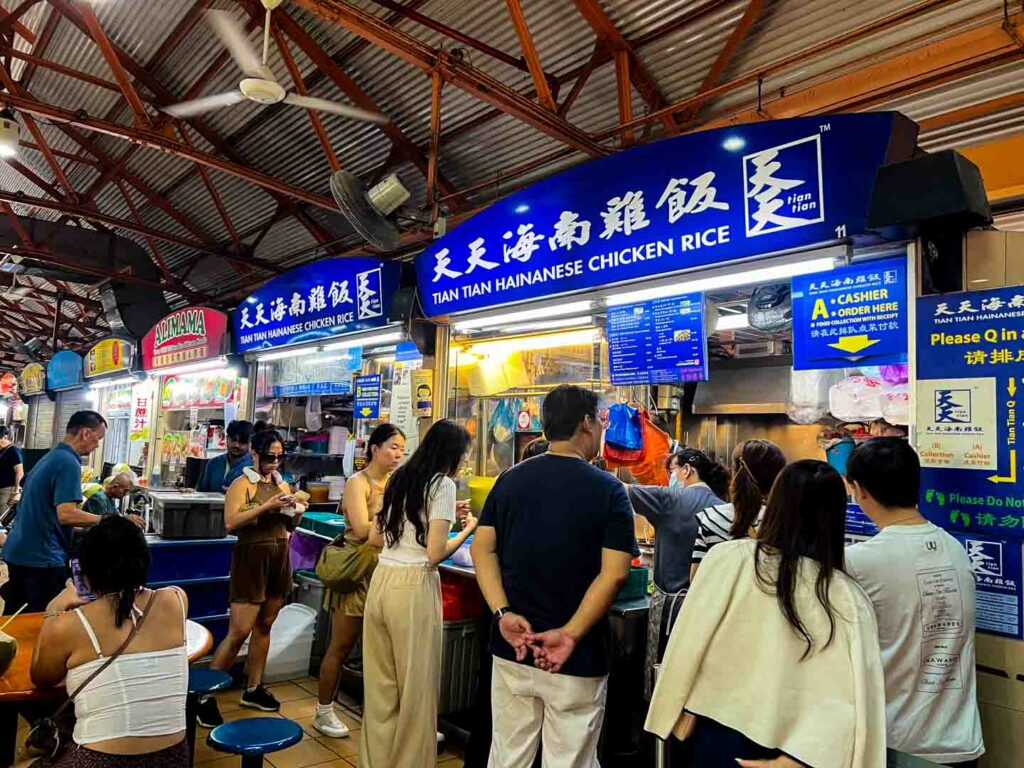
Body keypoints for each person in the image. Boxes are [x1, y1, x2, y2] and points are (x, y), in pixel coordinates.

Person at [646, 460, 887, 768]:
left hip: (716, 733)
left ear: (775, 503)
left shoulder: (727, 560)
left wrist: (672, 712)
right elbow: (851, 701)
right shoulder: (845, 596)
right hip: (799, 751)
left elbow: (687, 643)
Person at [472, 385, 635, 768]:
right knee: (569, 761)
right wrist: (569, 634)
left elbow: (482, 549)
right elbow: (614, 575)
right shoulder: (609, 490)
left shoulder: (509, 480)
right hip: (574, 658)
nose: (601, 430)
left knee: (507, 757)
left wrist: (502, 613)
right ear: (585, 423)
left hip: (513, 648)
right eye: (601, 421)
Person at [845, 438, 984, 766]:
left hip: (897, 747)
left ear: (859, 490)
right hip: (961, 744)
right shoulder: (955, 550)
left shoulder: (858, 562)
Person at [28, 515, 189, 768]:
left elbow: (41, 678)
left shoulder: (67, 625)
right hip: (174, 758)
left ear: (86, 571)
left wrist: (53, 609)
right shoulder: (176, 600)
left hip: (100, 761)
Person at [360, 420, 477, 768]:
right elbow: (435, 553)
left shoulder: (399, 479)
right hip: (413, 586)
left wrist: (440, 520)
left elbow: (375, 538)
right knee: (416, 691)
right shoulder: (442, 485)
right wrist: (467, 528)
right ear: (452, 454)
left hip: (382, 581)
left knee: (381, 688)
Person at [196, 430, 307, 728]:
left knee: (265, 625)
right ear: (255, 454)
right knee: (239, 631)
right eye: (269, 456)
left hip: (278, 555)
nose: (274, 462)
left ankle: (254, 687)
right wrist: (266, 506)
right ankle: (204, 697)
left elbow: (290, 523)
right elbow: (231, 522)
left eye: (279, 456)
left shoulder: (280, 482)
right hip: (251, 557)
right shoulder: (241, 484)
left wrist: (295, 509)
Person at [314, 423, 406, 740]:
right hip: (357, 572)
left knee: (382, 652)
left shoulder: (397, 483)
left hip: (386, 572)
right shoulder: (358, 482)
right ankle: (323, 711)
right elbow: (364, 530)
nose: (398, 454)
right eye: (393, 447)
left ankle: (383, 717)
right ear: (375, 449)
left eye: (402, 449)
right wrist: (391, 505)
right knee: (340, 647)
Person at [2, 412, 131, 614]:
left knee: (17, 618)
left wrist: (83, 528)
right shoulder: (69, 462)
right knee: (44, 620)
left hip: (20, 551)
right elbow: (66, 514)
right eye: (98, 439)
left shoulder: (51, 457)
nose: (97, 445)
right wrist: (108, 520)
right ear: (86, 433)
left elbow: (48, 512)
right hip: (41, 558)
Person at [626, 448, 727, 695]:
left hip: (670, 609)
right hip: (707, 609)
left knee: (662, 678)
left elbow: (620, 489)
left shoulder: (670, 500)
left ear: (687, 470)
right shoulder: (724, 508)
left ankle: (656, 728)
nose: (670, 477)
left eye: (671, 471)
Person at [690, 439, 786, 579]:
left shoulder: (711, 519)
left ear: (734, 472)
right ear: (778, 477)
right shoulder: (785, 520)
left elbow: (696, 580)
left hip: (723, 600)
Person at [196, 420, 254, 493]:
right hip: (214, 504)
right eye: (233, 440)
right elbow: (201, 492)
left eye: (242, 442)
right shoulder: (213, 463)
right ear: (227, 438)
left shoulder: (253, 465)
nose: (236, 445)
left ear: (250, 443)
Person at [0, 425, 23, 515]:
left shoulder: (14, 451)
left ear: (5, 437)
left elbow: (19, 472)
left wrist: (17, 491)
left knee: (2, 516)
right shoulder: (1, 450)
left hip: (7, 490)